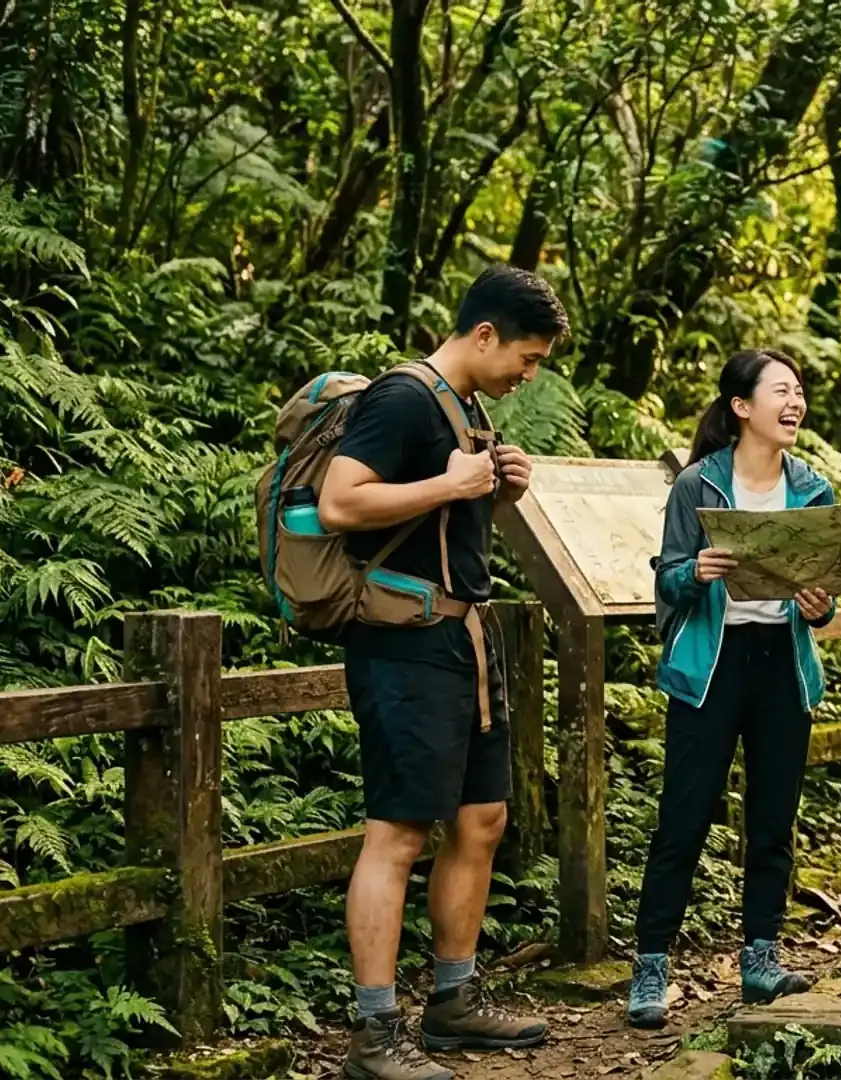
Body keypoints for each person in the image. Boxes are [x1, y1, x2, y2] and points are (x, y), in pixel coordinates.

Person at [320, 265, 566, 1080]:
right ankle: (373, 1033)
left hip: (464, 640)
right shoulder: (399, 397)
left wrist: (492, 494)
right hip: (404, 642)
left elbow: (434, 519)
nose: (527, 376)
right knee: (398, 833)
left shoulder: (467, 409)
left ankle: (453, 1001)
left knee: (483, 819)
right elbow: (341, 504)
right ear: (484, 333)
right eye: (525, 358)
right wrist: (452, 480)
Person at [626, 348, 840, 1028]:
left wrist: (818, 605)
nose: (795, 402)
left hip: (782, 662)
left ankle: (761, 960)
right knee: (683, 819)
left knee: (773, 820)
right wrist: (699, 572)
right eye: (782, 390)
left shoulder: (810, 488)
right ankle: (651, 968)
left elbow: (826, 593)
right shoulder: (699, 485)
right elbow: (665, 581)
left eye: (799, 390)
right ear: (742, 406)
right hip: (711, 669)